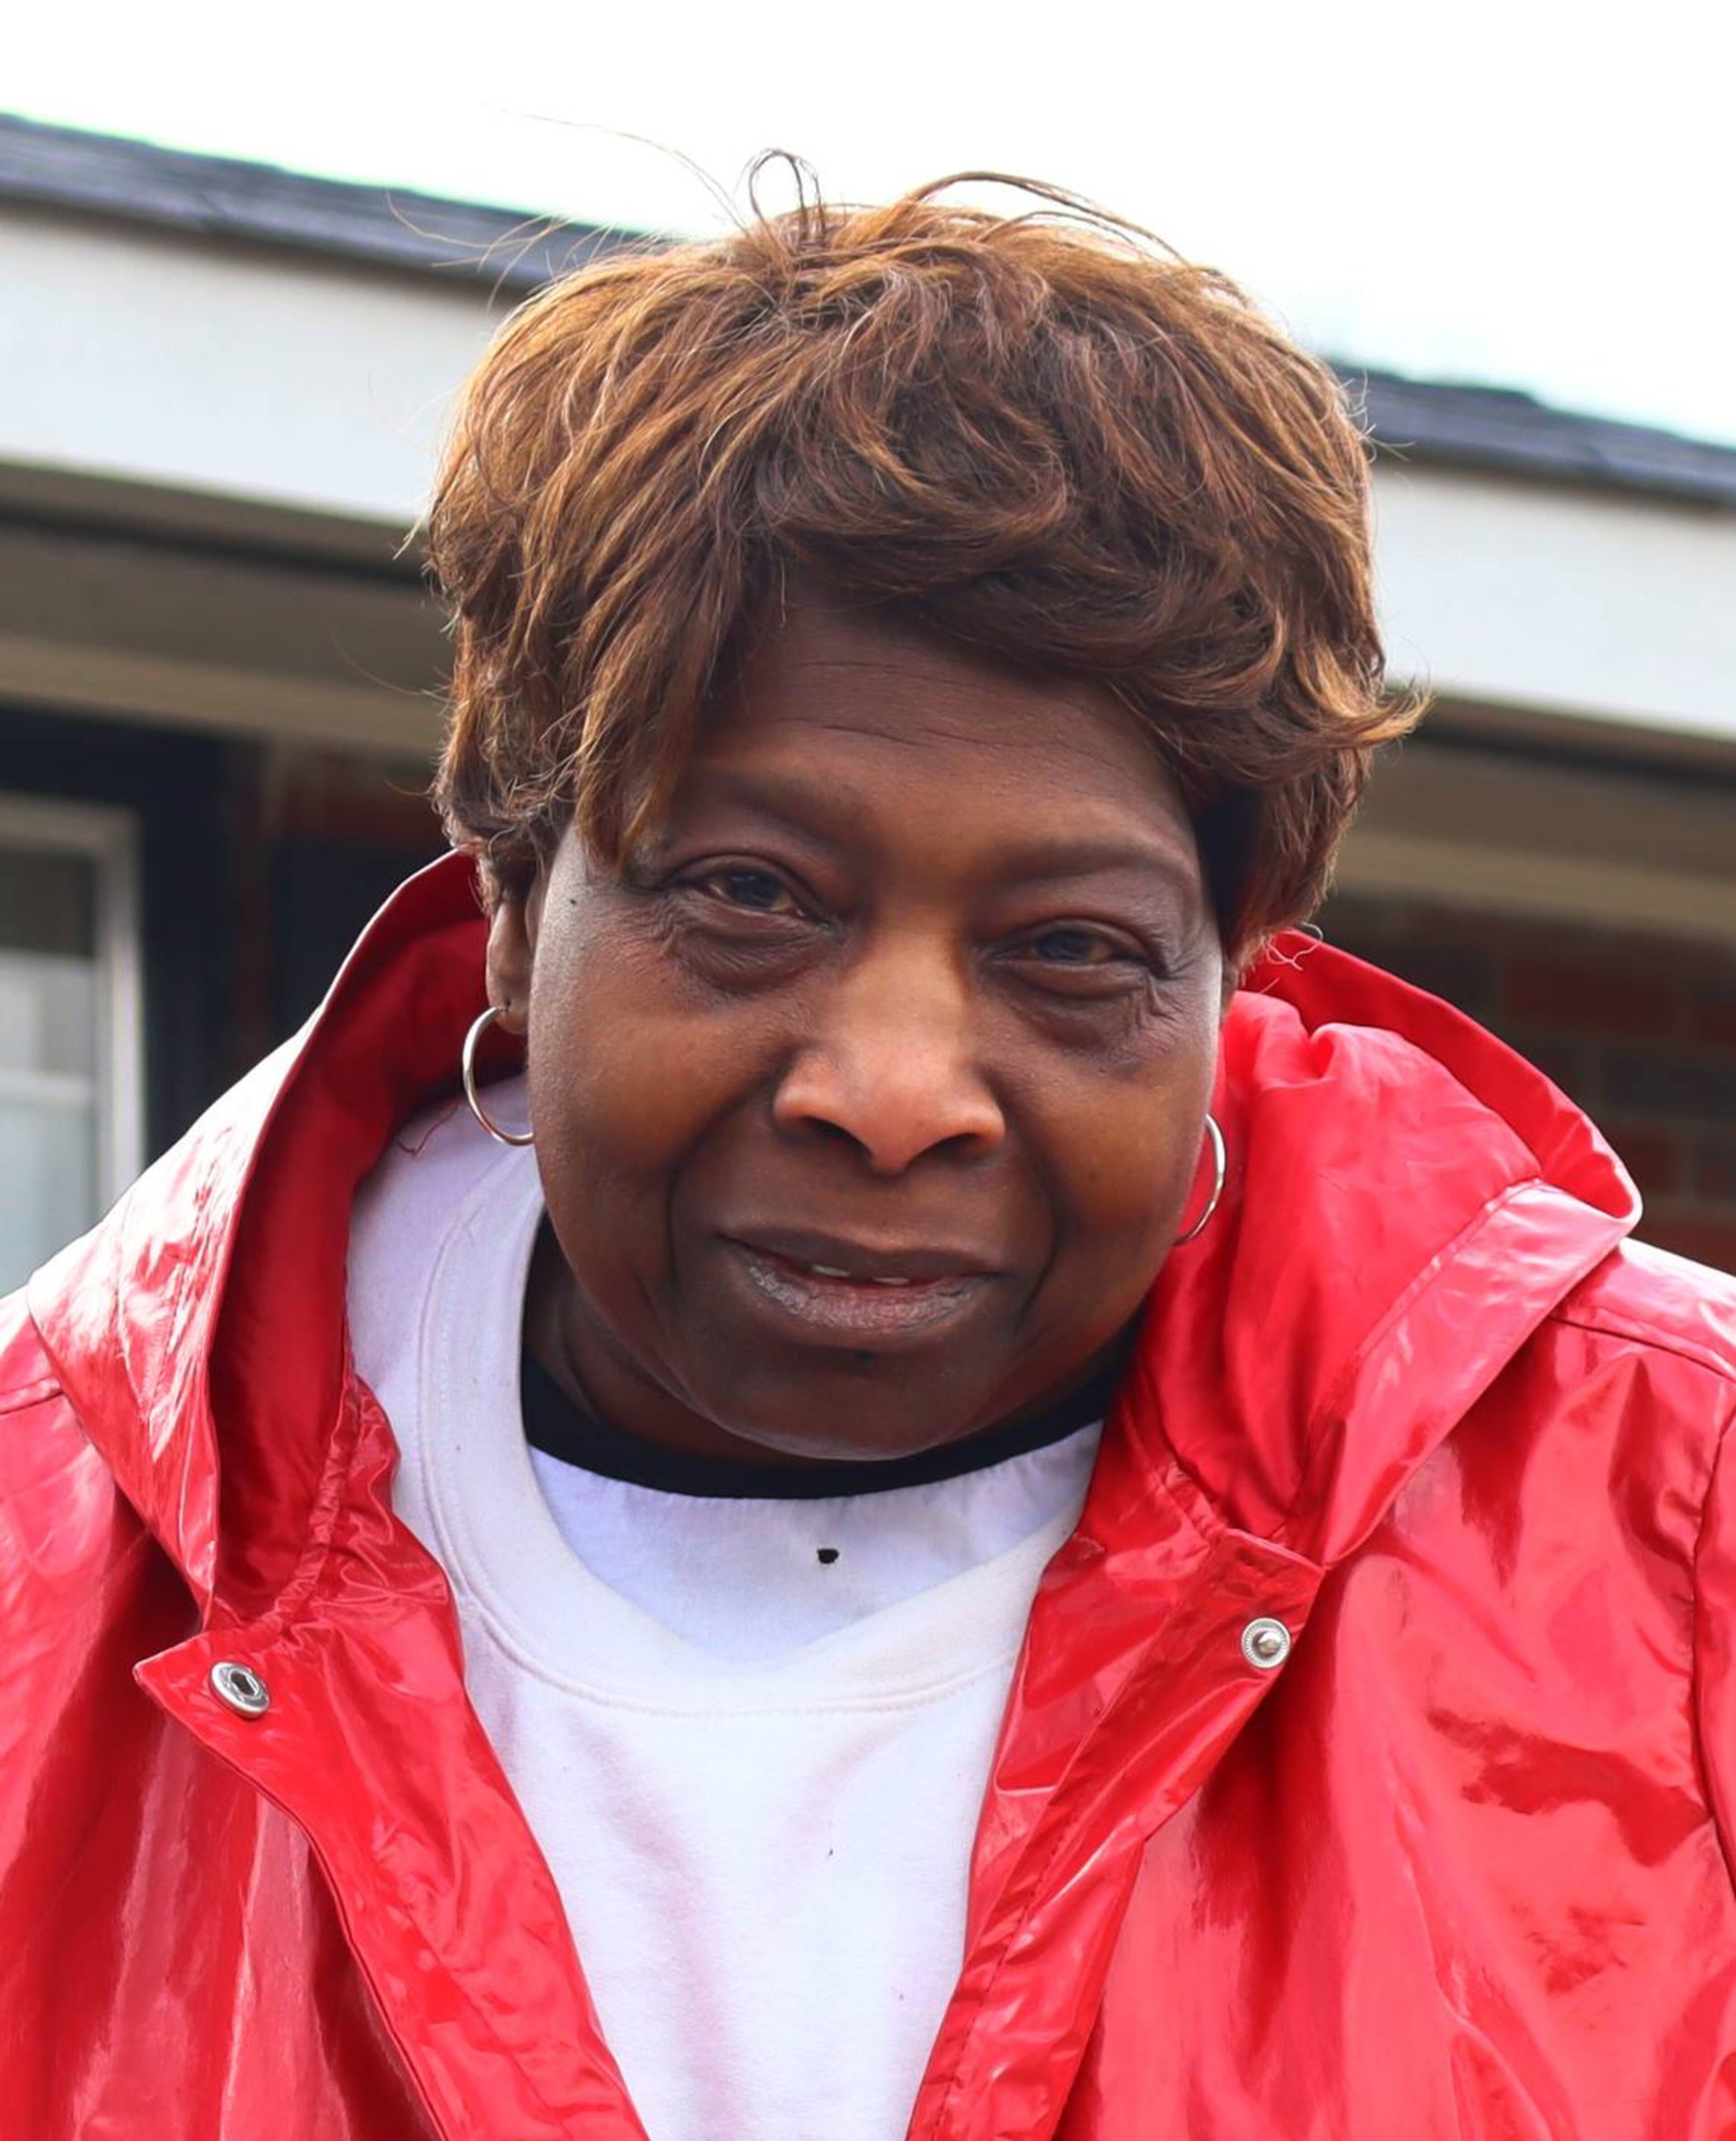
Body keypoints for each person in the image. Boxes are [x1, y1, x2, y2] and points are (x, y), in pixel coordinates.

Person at [3, 171, 1733, 2141]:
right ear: (513, 902)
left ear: (1233, 975)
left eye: (1073, 950)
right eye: (750, 893)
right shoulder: (38, 1565)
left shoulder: (1676, 1522)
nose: (897, 1092)